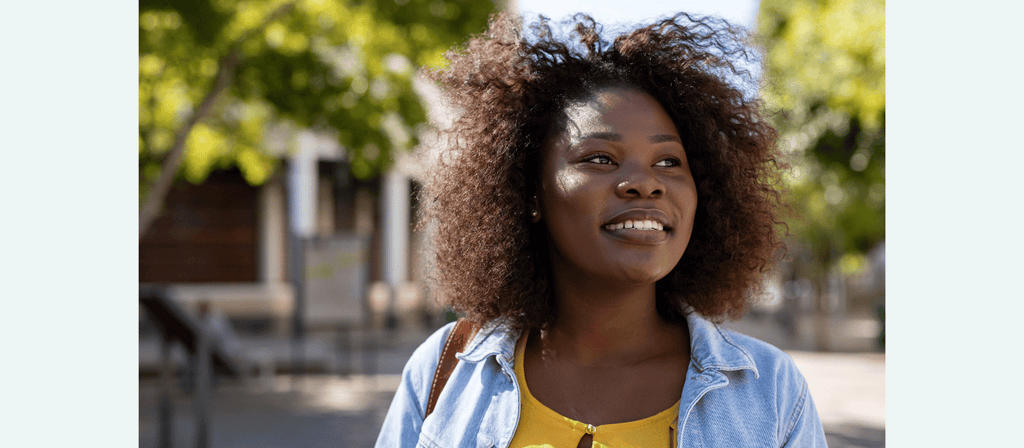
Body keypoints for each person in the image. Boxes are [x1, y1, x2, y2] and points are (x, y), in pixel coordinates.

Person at [376, 12, 828, 448]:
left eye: (669, 162)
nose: (645, 183)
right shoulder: (446, 371)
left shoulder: (771, 392)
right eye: (600, 159)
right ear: (531, 193)